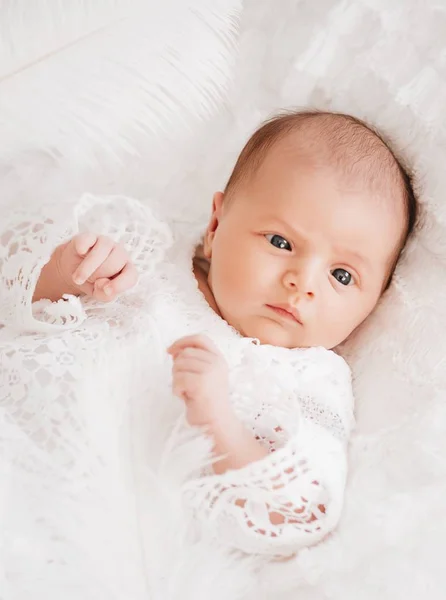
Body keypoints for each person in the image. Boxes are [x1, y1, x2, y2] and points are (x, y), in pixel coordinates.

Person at [0, 110, 418, 557]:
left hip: (77, 519)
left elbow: (300, 513)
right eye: (280, 242)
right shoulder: (148, 255)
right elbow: (11, 295)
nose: (304, 281)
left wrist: (220, 424)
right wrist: (65, 273)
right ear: (216, 228)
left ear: (375, 300)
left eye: (341, 274)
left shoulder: (312, 381)